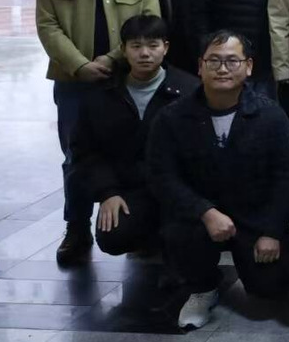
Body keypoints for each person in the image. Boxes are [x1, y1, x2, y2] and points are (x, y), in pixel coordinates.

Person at [36, 0, 160, 266]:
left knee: (134, 148)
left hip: (125, 77)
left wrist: (111, 59)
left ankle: (135, 222)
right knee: (77, 156)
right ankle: (76, 228)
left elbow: (150, 24)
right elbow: (47, 26)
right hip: (73, 81)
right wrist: (79, 65)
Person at [148, 31, 289, 330]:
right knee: (180, 233)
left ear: (249, 66)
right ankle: (202, 288)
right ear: (200, 66)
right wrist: (205, 211)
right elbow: (161, 176)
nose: (222, 68)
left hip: (253, 217)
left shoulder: (270, 115)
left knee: (269, 288)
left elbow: (287, 175)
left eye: (232, 61)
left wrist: (272, 231)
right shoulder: (172, 118)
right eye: (214, 61)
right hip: (198, 217)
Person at [67, 15, 198, 256]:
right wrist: (108, 192)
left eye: (153, 45)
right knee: (113, 236)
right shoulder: (102, 93)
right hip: (129, 188)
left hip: (179, 190)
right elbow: (85, 151)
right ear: (123, 50)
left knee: (188, 236)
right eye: (136, 46)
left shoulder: (190, 90)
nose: (144, 53)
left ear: (166, 48)